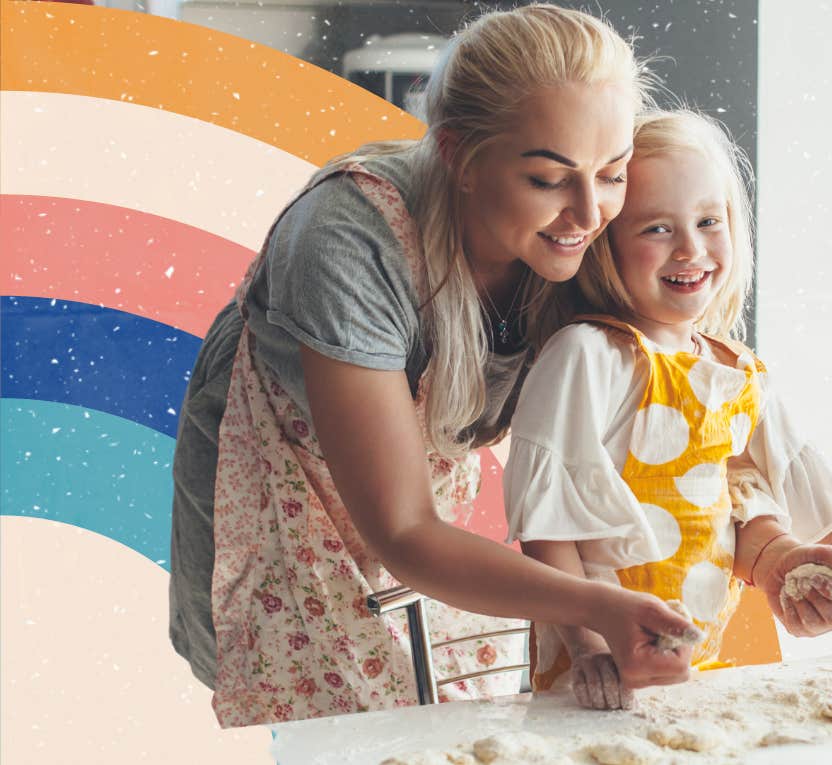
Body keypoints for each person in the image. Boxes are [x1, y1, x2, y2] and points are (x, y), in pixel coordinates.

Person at [168, 4, 704, 728]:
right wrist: (594, 606)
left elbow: (579, 463)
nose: (587, 211)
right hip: (283, 497)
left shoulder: (592, 231)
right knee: (317, 729)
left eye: (611, 173)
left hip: (416, 521)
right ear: (458, 155)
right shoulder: (344, 240)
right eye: (548, 179)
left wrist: (782, 554)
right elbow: (405, 528)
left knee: (413, 711)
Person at [505, 110, 832, 710]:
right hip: (597, 675)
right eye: (656, 228)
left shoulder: (738, 369)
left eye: (710, 221)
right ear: (604, 246)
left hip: (702, 669)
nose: (691, 248)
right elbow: (546, 522)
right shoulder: (586, 355)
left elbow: (809, 496)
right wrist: (585, 647)